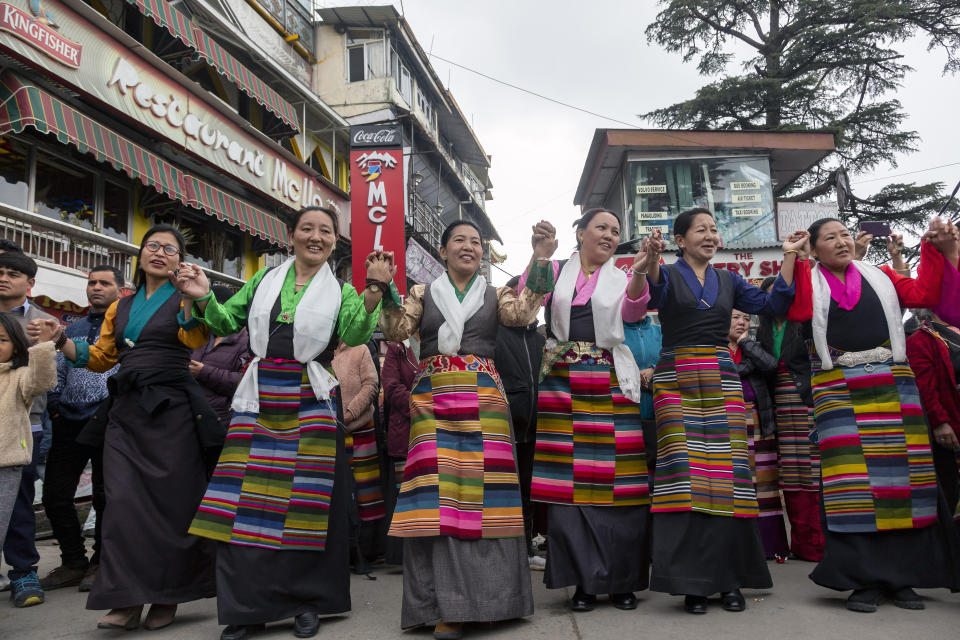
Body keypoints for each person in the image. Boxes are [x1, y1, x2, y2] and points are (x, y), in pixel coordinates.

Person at [176, 206, 393, 640]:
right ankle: (247, 606)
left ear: (335, 241)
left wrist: (374, 292)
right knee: (245, 499)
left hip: (310, 394)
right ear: (290, 234)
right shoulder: (262, 280)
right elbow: (224, 321)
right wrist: (203, 294)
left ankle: (305, 601)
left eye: (326, 231)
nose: (316, 237)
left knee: (307, 500)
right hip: (258, 394)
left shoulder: (343, 291)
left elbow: (353, 334)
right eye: (307, 229)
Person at [34, 225, 219, 630]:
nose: (159, 253)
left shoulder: (190, 296)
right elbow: (101, 357)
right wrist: (62, 338)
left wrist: (192, 298)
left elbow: (195, 339)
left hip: (173, 410)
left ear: (179, 260)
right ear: (139, 254)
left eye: (169, 249)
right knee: (119, 504)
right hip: (127, 411)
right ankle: (127, 598)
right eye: (152, 245)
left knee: (174, 503)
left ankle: (169, 595)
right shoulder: (122, 304)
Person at [382, 218, 556, 640]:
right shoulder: (422, 294)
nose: (468, 246)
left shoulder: (498, 295)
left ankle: (495, 602)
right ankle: (442, 605)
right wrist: (385, 286)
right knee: (437, 503)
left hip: (485, 403)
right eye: (458, 240)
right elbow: (394, 330)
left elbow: (524, 313)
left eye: (476, 242)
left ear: (483, 254)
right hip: (432, 404)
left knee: (488, 501)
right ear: (442, 251)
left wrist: (540, 258)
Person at [785, 217, 960, 612]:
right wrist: (795, 261)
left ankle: (903, 579)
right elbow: (796, 312)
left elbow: (925, 292)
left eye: (845, 234)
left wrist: (931, 248)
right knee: (853, 485)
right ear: (813, 250)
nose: (842, 242)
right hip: (837, 385)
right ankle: (863, 580)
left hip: (894, 383)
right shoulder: (808, 281)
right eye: (830, 238)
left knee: (904, 479)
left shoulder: (881, 275)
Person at [643, 207, 806, 614]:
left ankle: (730, 579)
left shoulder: (730, 280)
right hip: (676, 377)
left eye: (715, 230)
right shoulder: (666, 272)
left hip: (721, 374)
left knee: (730, 476)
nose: (711, 235)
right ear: (681, 240)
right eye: (701, 230)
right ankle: (693, 583)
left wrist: (788, 255)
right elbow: (653, 291)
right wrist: (649, 261)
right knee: (686, 478)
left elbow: (772, 304)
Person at [526, 208, 653, 612]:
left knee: (623, 484)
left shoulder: (623, 275)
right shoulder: (559, 269)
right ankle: (581, 582)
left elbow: (633, 313)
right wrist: (541, 255)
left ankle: (621, 582)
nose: (610, 236)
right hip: (562, 382)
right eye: (601, 227)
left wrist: (640, 272)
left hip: (611, 379)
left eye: (615, 231)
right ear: (579, 233)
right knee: (567, 486)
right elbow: (528, 301)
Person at [40, 266, 122, 593]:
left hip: (109, 421)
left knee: (106, 496)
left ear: (121, 289)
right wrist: (57, 407)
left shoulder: (124, 328)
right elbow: (58, 370)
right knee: (55, 495)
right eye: (92, 283)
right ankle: (73, 561)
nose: (96, 288)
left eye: (105, 283)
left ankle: (101, 561)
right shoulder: (71, 328)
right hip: (68, 422)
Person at [0, 250, 57, 607]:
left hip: (25, 424)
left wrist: (45, 343)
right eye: (0, 271)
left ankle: (23, 572)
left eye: (12, 273)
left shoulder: (42, 322)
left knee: (18, 502)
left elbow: (49, 379)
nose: (4, 277)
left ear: (30, 283)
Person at [757, 276, 824, 561]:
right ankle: (801, 542)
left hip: (805, 398)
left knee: (813, 468)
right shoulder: (763, 331)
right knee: (790, 471)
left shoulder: (805, 322)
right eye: (773, 296)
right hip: (779, 405)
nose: (779, 301)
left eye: (784, 294)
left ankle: (819, 542)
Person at [493, 274, 546, 570]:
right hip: (504, 424)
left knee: (527, 491)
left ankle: (526, 548)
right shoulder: (497, 333)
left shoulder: (538, 339)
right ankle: (504, 552)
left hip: (535, 428)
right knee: (502, 491)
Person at [728, 309, 789, 559]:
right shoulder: (714, 348)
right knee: (735, 483)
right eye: (735, 318)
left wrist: (744, 342)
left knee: (764, 484)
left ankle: (769, 546)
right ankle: (738, 547)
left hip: (757, 417)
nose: (742, 322)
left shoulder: (753, 346)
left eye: (746, 318)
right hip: (726, 421)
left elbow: (770, 365)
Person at [0, 313, 57, 559]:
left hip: (7, 464)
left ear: (15, 347)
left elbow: (42, 381)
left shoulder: (20, 377)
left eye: (1, 339)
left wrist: (43, 346)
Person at [332, 339, 385, 557]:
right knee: (339, 492)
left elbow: (372, 384)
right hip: (332, 431)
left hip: (361, 428)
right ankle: (343, 549)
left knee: (366, 493)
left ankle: (366, 550)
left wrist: (349, 414)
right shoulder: (323, 351)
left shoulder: (361, 349)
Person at [907, 308, 960, 515]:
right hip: (952, 428)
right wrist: (939, 422)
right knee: (951, 496)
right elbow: (924, 387)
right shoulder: (920, 340)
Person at [189, 285, 250, 428]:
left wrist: (204, 372)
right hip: (187, 417)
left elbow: (244, 383)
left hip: (219, 421)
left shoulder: (245, 342)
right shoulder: (198, 335)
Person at [381, 339, 418, 565]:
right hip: (404, 432)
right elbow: (391, 388)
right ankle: (402, 555)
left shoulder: (440, 341)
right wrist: (420, 404)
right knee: (404, 495)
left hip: (434, 429)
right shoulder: (398, 348)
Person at [623, 313, 662, 488]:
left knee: (657, 462)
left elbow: (671, 359)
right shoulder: (617, 333)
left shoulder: (658, 331)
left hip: (657, 408)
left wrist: (655, 370)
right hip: (627, 409)